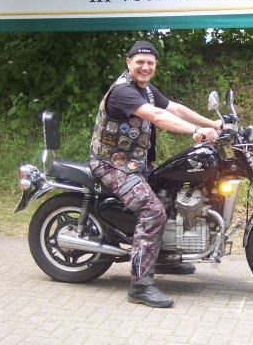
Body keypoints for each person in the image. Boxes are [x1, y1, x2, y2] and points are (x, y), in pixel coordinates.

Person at [89, 40, 221, 308]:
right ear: (128, 62)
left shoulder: (146, 89)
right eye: (140, 62)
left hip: (135, 164)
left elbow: (174, 108)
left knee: (171, 192)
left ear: (155, 65)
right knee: (152, 210)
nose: (145, 67)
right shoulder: (123, 91)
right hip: (112, 165)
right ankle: (140, 286)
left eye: (150, 63)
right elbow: (157, 117)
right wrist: (196, 132)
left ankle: (163, 257)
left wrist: (214, 123)